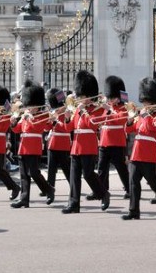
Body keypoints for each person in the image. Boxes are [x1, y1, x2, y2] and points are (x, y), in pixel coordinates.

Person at [121, 78, 156, 220]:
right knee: (133, 182)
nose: (145, 104)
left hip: (148, 152)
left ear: (154, 102)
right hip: (136, 152)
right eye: (144, 101)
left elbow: (153, 128)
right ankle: (133, 211)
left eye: (147, 102)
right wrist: (129, 120)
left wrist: (145, 116)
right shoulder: (142, 116)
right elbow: (130, 129)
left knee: (153, 183)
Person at [62, 70, 110, 214]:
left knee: (88, 174)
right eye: (79, 96)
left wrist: (84, 112)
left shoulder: (97, 109)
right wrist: (67, 117)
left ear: (89, 96)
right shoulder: (77, 110)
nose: (80, 99)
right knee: (74, 176)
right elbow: (68, 128)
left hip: (88, 146)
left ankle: (103, 193)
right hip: (76, 146)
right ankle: (73, 204)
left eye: (82, 96)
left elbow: (92, 125)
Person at [9, 80, 54, 208]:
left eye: (31, 105)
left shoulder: (43, 115)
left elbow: (38, 128)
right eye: (28, 105)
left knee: (34, 172)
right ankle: (24, 199)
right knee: (23, 174)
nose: (29, 108)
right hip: (23, 147)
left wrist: (30, 118)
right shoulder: (25, 115)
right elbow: (18, 129)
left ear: (37, 105)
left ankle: (48, 189)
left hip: (34, 147)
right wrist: (13, 123)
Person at [96, 76, 130, 200]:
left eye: (112, 97)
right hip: (104, 141)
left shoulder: (124, 108)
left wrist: (110, 110)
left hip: (116, 142)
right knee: (101, 168)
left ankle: (129, 189)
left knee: (121, 169)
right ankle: (100, 190)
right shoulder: (106, 107)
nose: (110, 100)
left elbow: (120, 120)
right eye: (109, 97)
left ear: (118, 96)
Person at [45, 88, 71, 191]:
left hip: (63, 142)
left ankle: (73, 186)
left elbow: (66, 127)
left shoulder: (67, 111)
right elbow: (47, 128)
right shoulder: (54, 111)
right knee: (51, 168)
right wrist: (49, 120)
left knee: (66, 168)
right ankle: (49, 188)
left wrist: (55, 121)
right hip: (53, 143)